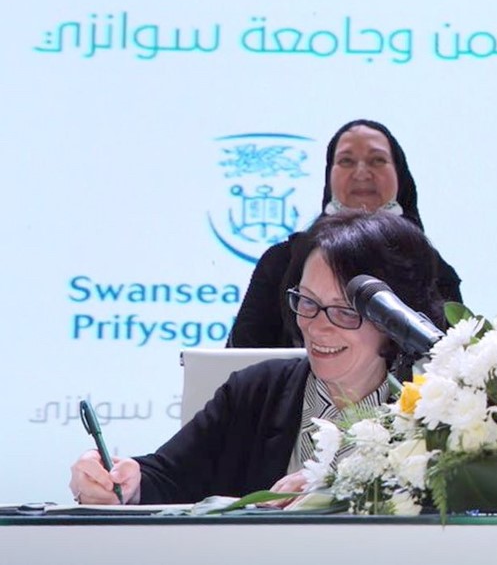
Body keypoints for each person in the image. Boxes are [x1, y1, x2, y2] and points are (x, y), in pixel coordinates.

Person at [69, 210, 446, 504]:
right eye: (308, 302)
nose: (317, 326)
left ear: (394, 318)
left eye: (345, 311)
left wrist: (339, 492)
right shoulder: (255, 392)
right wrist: (121, 480)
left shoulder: (439, 411)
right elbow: (166, 478)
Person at [229, 119, 462, 349]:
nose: (362, 172)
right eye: (347, 161)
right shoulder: (282, 262)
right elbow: (239, 362)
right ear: (329, 176)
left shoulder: (432, 268)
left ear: (399, 175)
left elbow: (451, 366)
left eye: (377, 160)